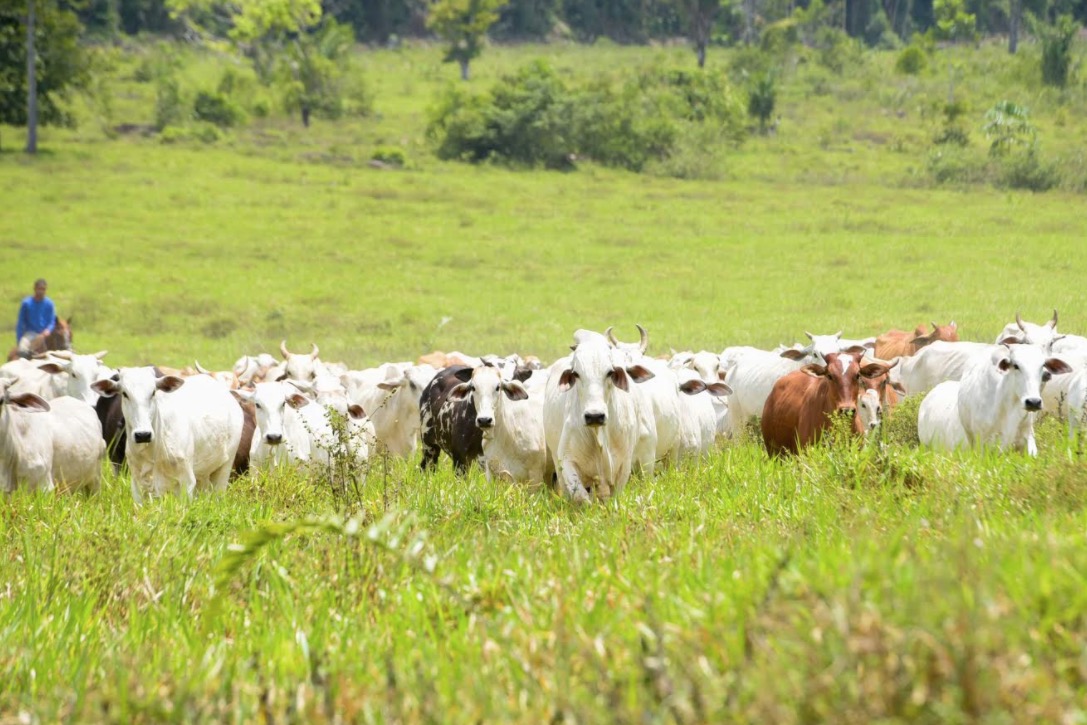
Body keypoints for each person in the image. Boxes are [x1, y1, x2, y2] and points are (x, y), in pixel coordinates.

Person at [15, 278, 56, 358]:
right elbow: (20, 322)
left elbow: (52, 321)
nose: (41, 291)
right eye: (39, 289)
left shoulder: (49, 304)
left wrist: (48, 330)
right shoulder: (26, 303)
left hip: (45, 334)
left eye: (43, 289)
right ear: (35, 289)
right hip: (30, 334)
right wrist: (19, 338)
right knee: (22, 349)